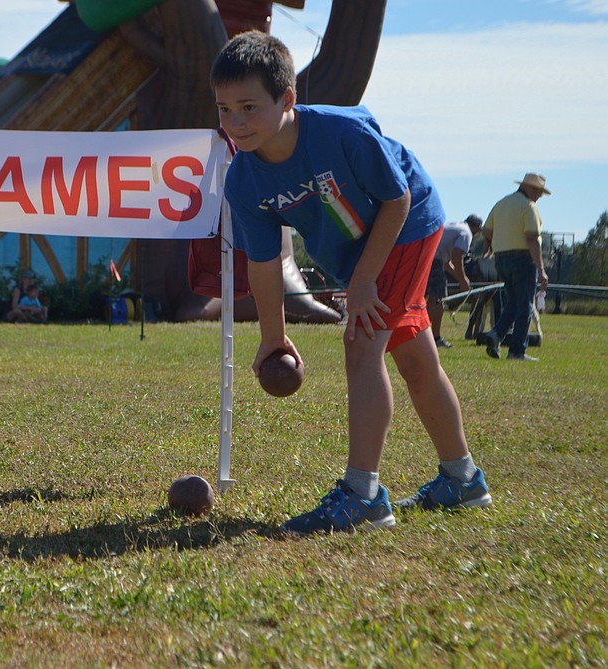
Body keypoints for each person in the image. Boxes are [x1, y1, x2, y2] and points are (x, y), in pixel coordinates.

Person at [210, 31, 491, 535]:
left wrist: (363, 282)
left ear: (287, 100)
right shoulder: (244, 180)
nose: (236, 123)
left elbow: (398, 198)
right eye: (226, 109)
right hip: (366, 245)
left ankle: (363, 495)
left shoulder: (341, 133)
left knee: (361, 345)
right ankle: (463, 479)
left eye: (249, 107)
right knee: (415, 359)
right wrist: (272, 337)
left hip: (407, 223)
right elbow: (264, 261)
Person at [482, 173, 550, 362]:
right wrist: (541, 270)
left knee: (512, 303)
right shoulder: (529, 207)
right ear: (532, 189)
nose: (539, 196)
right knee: (525, 306)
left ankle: (496, 334)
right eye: (539, 192)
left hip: (501, 259)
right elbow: (532, 239)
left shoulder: (501, 203)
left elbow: (486, 231)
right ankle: (517, 351)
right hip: (522, 259)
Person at [427, 218, 478, 348]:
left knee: (421, 300)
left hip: (424, 256)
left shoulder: (453, 226)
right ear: (476, 227)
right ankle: (435, 338)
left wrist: (461, 278)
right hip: (434, 260)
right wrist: (463, 280)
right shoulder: (467, 233)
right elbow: (456, 256)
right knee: (437, 299)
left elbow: (447, 263)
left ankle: (420, 335)